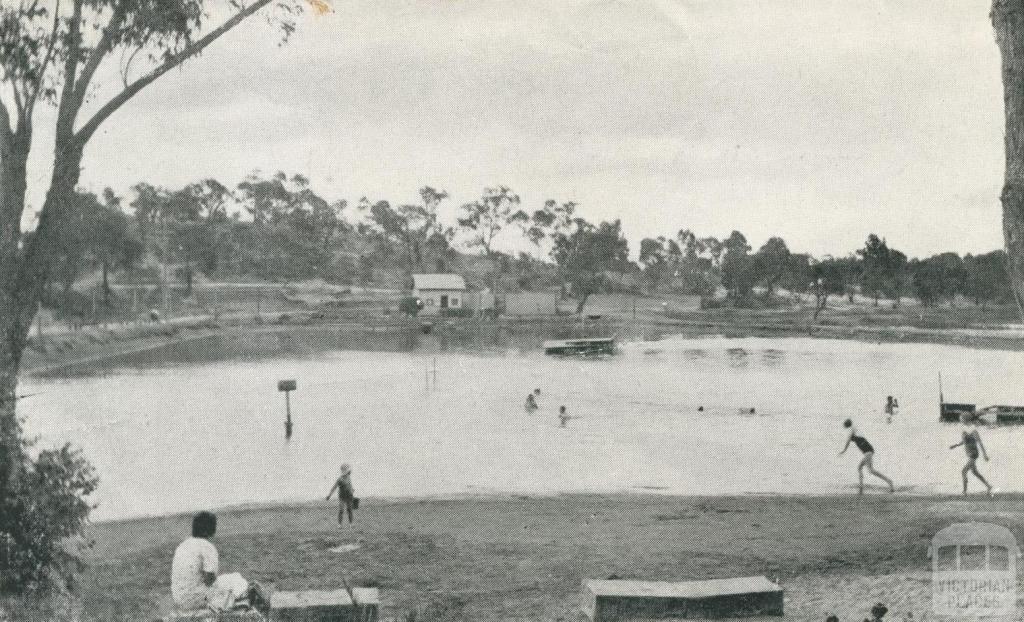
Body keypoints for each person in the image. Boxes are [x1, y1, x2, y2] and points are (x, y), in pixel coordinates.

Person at [171, 511, 267, 613]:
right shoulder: (207, 547)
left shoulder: (183, 545)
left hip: (179, 598)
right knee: (237, 581)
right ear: (208, 529)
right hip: (197, 599)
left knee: (231, 580)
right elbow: (210, 580)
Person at [839, 419, 895, 494]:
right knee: (859, 467)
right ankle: (861, 486)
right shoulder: (854, 429)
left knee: (871, 470)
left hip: (867, 451)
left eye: (844, 424)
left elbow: (848, 440)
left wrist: (844, 450)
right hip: (867, 451)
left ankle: (889, 481)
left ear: (846, 425)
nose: (843, 426)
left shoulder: (852, 429)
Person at [950, 415, 993, 496]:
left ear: (966, 420)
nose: (960, 421)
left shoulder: (973, 430)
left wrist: (985, 455)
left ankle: (964, 491)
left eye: (961, 420)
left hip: (973, 453)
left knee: (964, 471)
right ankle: (989, 486)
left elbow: (980, 443)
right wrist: (955, 445)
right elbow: (964, 441)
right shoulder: (965, 430)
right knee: (974, 472)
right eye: (960, 420)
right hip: (969, 453)